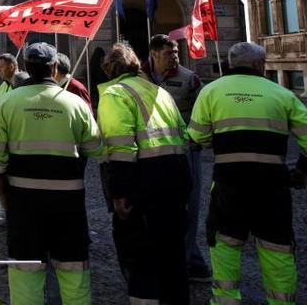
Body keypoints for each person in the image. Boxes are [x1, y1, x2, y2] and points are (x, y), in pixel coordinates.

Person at [187, 42, 307, 305]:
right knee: (277, 250)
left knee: (225, 247)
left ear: (231, 63)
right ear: (258, 65)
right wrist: (301, 170)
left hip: (229, 186)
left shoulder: (210, 92)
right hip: (273, 188)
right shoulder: (282, 94)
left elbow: (197, 136)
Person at [0, 43, 102, 305]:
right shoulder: (75, 103)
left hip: (23, 201)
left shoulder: (7, 102)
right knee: (73, 269)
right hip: (68, 202)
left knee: (25, 270)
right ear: (54, 68)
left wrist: (4, 198)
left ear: (27, 68)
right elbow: (95, 149)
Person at [97, 42, 192, 305]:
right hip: (177, 175)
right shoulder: (159, 91)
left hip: (144, 181)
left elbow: (121, 148)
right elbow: (182, 135)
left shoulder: (115, 94)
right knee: (173, 256)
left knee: (140, 258)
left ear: (109, 68)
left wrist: (119, 194)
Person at [144, 34, 208, 281]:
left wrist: (195, 139)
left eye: (176, 53)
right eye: (169, 53)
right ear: (154, 53)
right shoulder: (140, 77)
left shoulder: (189, 78)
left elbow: (203, 111)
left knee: (190, 206)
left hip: (185, 152)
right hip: (151, 154)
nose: (175, 57)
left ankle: (189, 258)